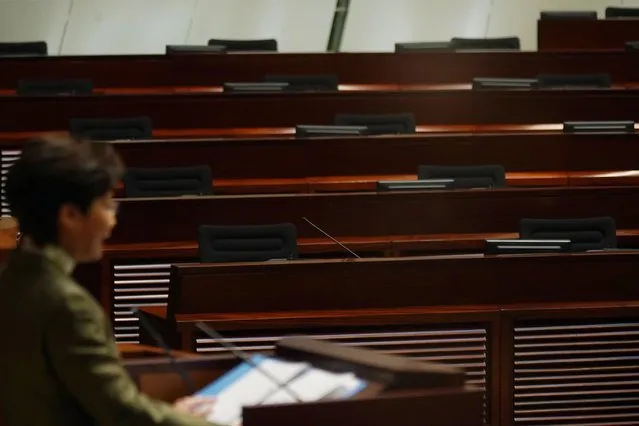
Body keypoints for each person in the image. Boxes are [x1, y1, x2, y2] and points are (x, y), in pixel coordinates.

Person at [0, 136, 215, 425]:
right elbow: (122, 413)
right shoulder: (68, 306)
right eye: (106, 205)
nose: (112, 220)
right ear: (70, 215)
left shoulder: (10, 281)